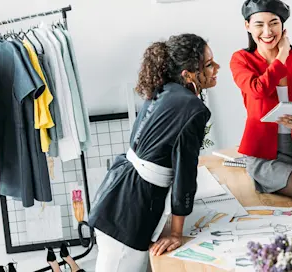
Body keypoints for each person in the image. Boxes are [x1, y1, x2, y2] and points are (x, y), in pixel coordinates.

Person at [88, 33, 218, 271]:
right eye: (208, 65)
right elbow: (184, 176)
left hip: (118, 193)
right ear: (187, 75)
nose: (216, 68)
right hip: (129, 212)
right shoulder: (193, 108)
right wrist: (176, 233)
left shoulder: (167, 89)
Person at [230, 0, 292, 204]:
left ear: (283, 26)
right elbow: (258, 89)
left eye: (273, 23)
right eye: (259, 24)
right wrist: (282, 56)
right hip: (264, 156)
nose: (267, 31)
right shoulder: (242, 60)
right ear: (247, 26)